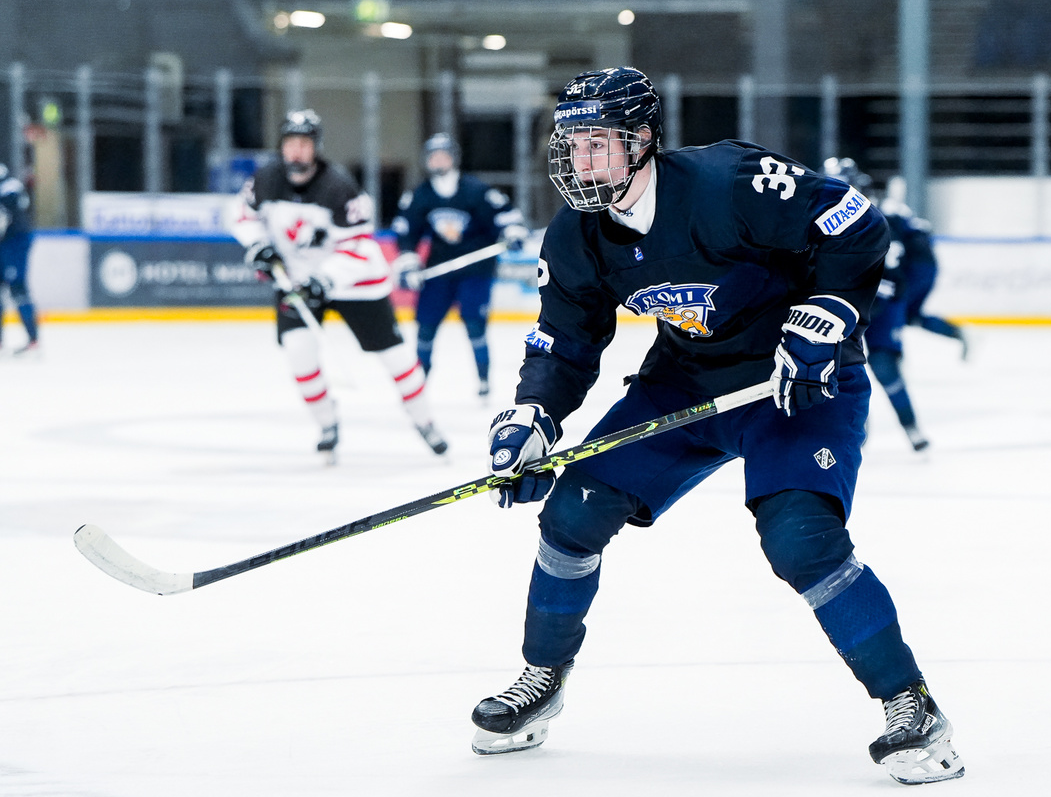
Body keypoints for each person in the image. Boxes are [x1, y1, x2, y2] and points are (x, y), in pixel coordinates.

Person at [471, 68, 964, 786]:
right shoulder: (577, 235)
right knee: (572, 514)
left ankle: (912, 707)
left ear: (642, 140)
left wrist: (829, 309)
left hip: (796, 378)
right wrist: (534, 412)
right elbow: (566, 339)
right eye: (571, 145)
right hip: (687, 381)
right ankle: (540, 680)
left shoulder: (728, 182)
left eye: (597, 144)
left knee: (801, 540)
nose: (580, 162)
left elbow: (855, 222)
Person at [227, 109, 448, 462]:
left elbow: (358, 248)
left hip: (355, 284)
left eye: (304, 143)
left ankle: (425, 420)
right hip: (298, 282)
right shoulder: (266, 178)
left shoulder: (340, 187)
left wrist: (325, 278)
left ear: (316, 147)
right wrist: (257, 244)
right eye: (290, 143)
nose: (296, 151)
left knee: (396, 357)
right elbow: (241, 215)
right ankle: (327, 424)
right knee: (299, 353)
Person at [392, 133, 528, 398]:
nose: (438, 160)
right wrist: (408, 262)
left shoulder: (476, 190)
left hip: (475, 269)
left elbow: (506, 215)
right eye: (433, 156)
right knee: (426, 325)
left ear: (454, 158)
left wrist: (513, 231)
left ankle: (483, 380)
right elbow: (406, 232)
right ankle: (420, 382)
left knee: (475, 323)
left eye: (443, 155)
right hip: (439, 270)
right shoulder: (420, 195)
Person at [823, 158, 929, 452]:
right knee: (841, 369)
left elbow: (902, 267)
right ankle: (857, 429)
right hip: (847, 301)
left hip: (883, 301)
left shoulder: (881, 217)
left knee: (883, 366)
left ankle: (911, 427)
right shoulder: (820, 218)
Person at [883, 177, 969, 360]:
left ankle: (892, 355)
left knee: (899, 309)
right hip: (926, 265)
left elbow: (896, 247)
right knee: (909, 314)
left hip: (916, 268)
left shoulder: (887, 212)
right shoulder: (899, 212)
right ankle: (956, 333)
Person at [0, 162, 40, 357]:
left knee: (18, 288)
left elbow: (7, 219)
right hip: (7, 242)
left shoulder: (9, 188)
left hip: (15, 243)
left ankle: (33, 342)